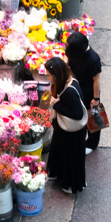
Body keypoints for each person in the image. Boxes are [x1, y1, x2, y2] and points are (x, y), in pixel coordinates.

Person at [45, 56, 87, 195]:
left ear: (57, 75)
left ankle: (70, 184)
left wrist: (57, 105)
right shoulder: (68, 81)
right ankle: (59, 175)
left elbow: (77, 114)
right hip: (64, 129)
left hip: (72, 132)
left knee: (69, 158)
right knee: (60, 152)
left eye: (49, 75)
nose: (49, 78)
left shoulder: (69, 91)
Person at [65, 31, 102, 154]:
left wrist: (95, 99)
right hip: (75, 85)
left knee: (92, 116)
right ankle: (79, 140)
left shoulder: (93, 59)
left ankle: (92, 143)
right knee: (77, 114)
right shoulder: (73, 49)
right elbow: (66, 56)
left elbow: (96, 81)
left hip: (88, 90)